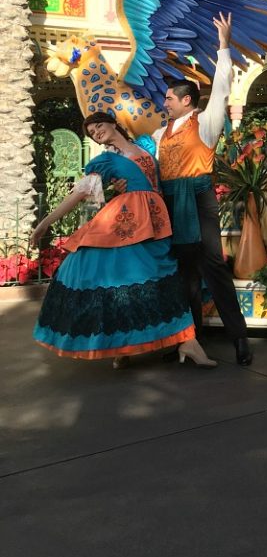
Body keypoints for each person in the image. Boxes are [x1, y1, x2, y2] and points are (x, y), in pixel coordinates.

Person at [31, 112, 216, 369]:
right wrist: (44, 224)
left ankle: (186, 342)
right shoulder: (106, 161)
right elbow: (79, 195)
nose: (96, 132)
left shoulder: (146, 147)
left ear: (113, 123)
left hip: (157, 218)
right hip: (127, 221)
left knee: (164, 277)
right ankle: (125, 345)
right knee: (125, 283)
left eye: (98, 125)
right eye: (92, 132)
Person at [153, 12, 252, 367]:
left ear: (185, 101)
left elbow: (222, 87)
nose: (164, 102)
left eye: (168, 98)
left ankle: (239, 338)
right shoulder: (158, 135)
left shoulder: (206, 123)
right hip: (171, 200)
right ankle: (188, 342)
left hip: (198, 197)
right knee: (184, 276)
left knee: (213, 267)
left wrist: (224, 45)